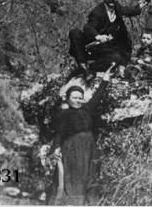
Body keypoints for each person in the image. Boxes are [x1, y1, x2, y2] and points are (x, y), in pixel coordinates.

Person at [48, 68, 114, 205]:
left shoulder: (87, 110)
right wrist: (55, 149)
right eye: (74, 98)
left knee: (90, 176)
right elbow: (59, 133)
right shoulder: (64, 114)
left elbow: (97, 96)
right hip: (72, 150)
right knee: (73, 178)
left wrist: (105, 80)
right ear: (68, 98)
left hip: (89, 148)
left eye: (80, 98)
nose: (78, 100)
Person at [68, 0, 143, 75]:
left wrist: (139, 7)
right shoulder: (97, 12)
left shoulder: (117, 8)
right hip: (91, 46)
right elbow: (88, 27)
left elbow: (129, 11)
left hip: (105, 48)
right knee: (74, 32)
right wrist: (98, 36)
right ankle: (82, 65)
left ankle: (91, 70)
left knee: (117, 56)